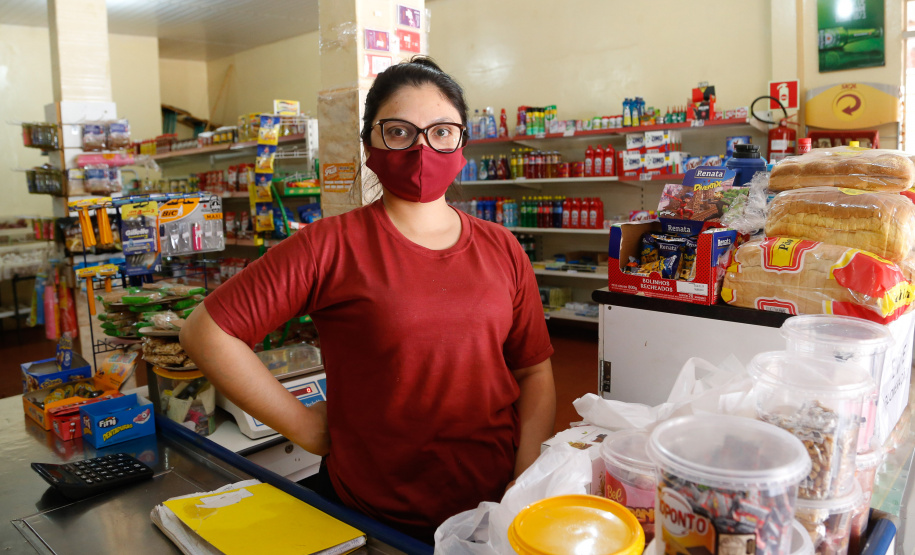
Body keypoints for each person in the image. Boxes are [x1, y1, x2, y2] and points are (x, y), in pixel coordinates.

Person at [180, 56, 556, 542]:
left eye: (442, 132)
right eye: (399, 132)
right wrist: (306, 428)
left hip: (491, 508)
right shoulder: (329, 246)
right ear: (368, 144)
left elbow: (533, 371)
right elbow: (207, 332)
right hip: (373, 516)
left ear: (462, 143)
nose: (422, 148)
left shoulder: (502, 247)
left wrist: (524, 480)